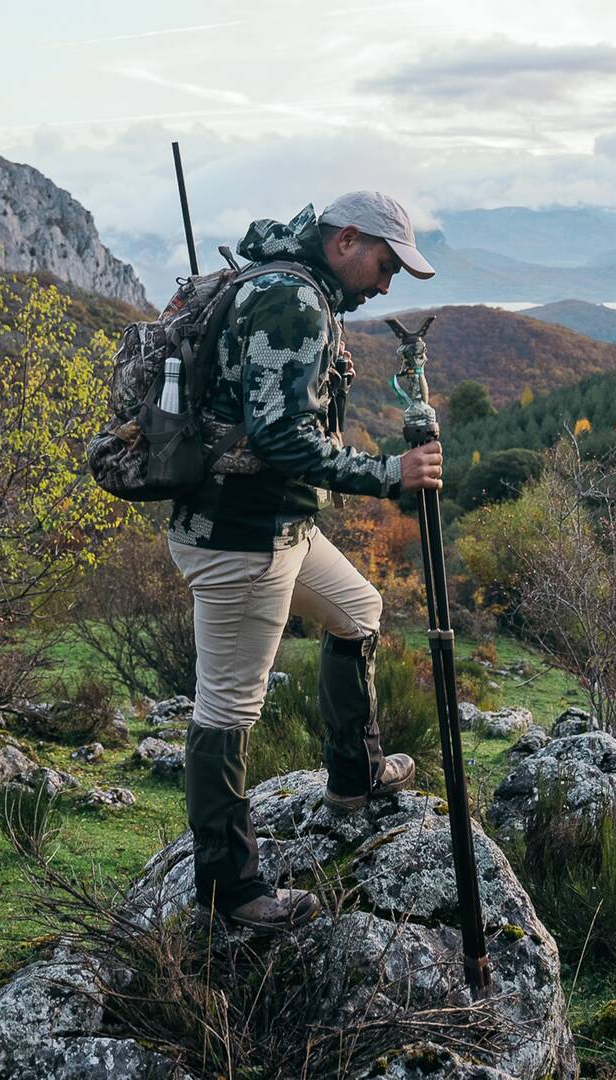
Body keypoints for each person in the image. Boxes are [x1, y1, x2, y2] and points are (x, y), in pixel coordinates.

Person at [168, 191, 443, 929]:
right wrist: (390, 476)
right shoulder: (291, 300)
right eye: (385, 266)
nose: (385, 285)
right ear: (347, 239)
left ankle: (354, 776)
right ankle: (232, 892)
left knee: (359, 610)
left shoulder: (288, 284)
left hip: (279, 522)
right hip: (240, 534)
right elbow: (282, 439)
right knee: (228, 705)